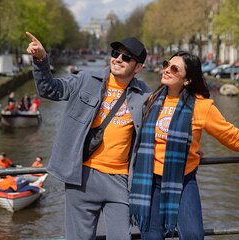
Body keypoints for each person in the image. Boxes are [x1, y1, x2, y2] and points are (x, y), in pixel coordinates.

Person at [129, 50, 239, 240]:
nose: (166, 70)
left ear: (188, 79)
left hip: (182, 180)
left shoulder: (201, 106)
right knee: (152, 236)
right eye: (166, 65)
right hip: (150, 180)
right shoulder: (152, 100)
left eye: (174, 69)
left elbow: (229, 135)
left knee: (193, 235)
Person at [26, 31, 151, 239]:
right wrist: (40, 60)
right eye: (115, 53)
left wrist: (190, 149)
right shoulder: (86, 80)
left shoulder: (145, 95)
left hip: (120, 181)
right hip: (81, 177)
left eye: (126, 57)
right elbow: (50, 90)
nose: (118, 59)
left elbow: (158, 129)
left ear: (138, 67)